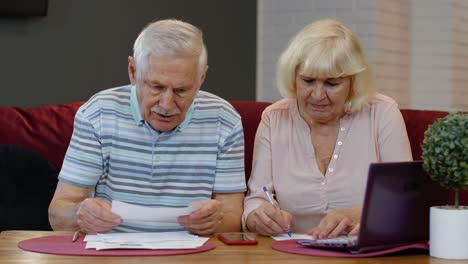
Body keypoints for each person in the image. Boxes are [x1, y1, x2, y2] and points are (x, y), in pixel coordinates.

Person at [48, 19, 246, 235]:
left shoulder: (225, 120)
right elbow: (58, 213)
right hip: (112, 253)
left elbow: (233, 217)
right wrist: (80, 215)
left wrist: (215, 222)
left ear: (202, 78)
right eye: (156, 87)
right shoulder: (97, 114)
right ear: (133, 71)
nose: (167, 104)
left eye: (181, 90)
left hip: (192, 253)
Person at [242, 19, 412, 239]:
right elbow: (256, 199)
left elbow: (404, 199)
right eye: (308, 81)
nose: (318, 95)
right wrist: (258, 217)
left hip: (363, 253)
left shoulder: (382, 113)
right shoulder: (274, 118)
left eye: (332, 83)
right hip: (292, 253)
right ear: (293, 77)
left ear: (353, 82)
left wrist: (355, 215)